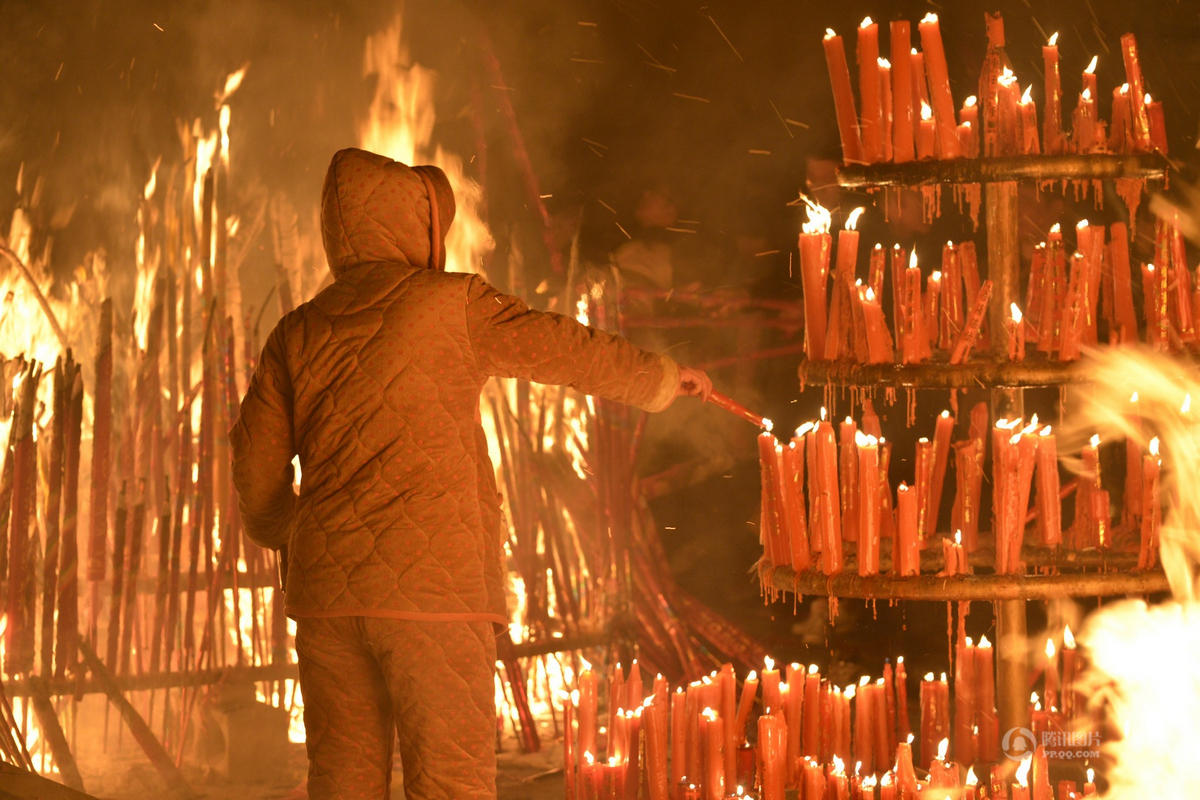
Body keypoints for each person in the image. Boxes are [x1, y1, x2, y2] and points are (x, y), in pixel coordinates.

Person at [230, 147, 712, 800]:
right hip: (435, 597)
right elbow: (563, 349)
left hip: (326, 601)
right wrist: (659, 378)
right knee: (451, 783)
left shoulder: (296, 331)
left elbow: (254, 463)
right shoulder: (452, 302)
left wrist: (288, 530)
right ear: (411, 224)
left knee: (342, 783)